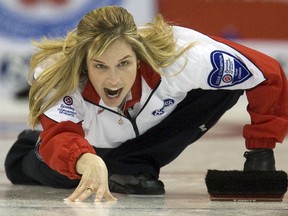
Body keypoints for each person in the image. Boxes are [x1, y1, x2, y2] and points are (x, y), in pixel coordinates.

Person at [4, 6, 288, 202]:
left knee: (225, 87)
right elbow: (60, 135)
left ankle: (132, 165)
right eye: (100, 66)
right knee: (39, 166)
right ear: (83, 63)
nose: (113, 79)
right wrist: (84, 159)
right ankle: (33, 150)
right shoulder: (59, 75)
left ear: (139, 57)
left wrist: (261, 148)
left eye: (124, 64)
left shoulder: (183, 58)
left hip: (150, 132)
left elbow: (268, 73)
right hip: (88, 143)